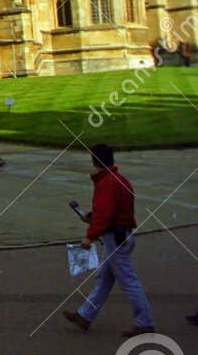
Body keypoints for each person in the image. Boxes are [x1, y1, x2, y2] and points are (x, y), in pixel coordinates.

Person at [63, 144, 154, 337]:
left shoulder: (106, 183)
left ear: (94, 160)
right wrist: (93, 217)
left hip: (114, 239)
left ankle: (145, 322)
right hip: (121, 235)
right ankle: (85, 316)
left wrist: (90, 235)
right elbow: (114, 211)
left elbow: (105, 214)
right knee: (104, 279)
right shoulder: (121, 180)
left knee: (128, 281)